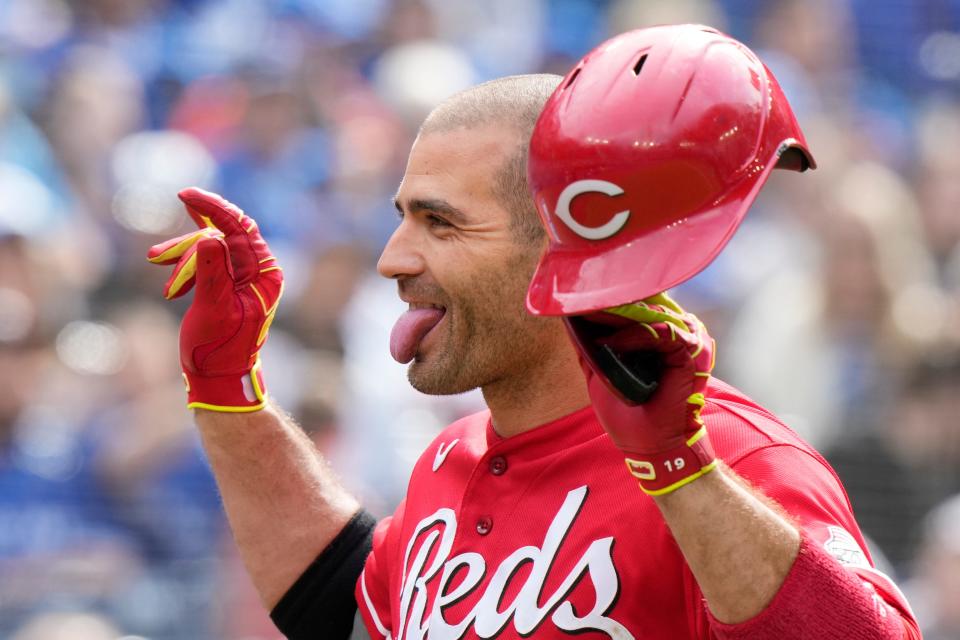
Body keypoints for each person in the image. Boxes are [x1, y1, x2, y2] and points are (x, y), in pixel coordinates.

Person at [147, 25, 920, 640]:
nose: (392, 259)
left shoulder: (733, 458)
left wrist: (682, 471)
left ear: (561, 248)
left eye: (440, 223)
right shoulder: (451, 460)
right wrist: (228, 393)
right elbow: (341, 609)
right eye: (402, 217)